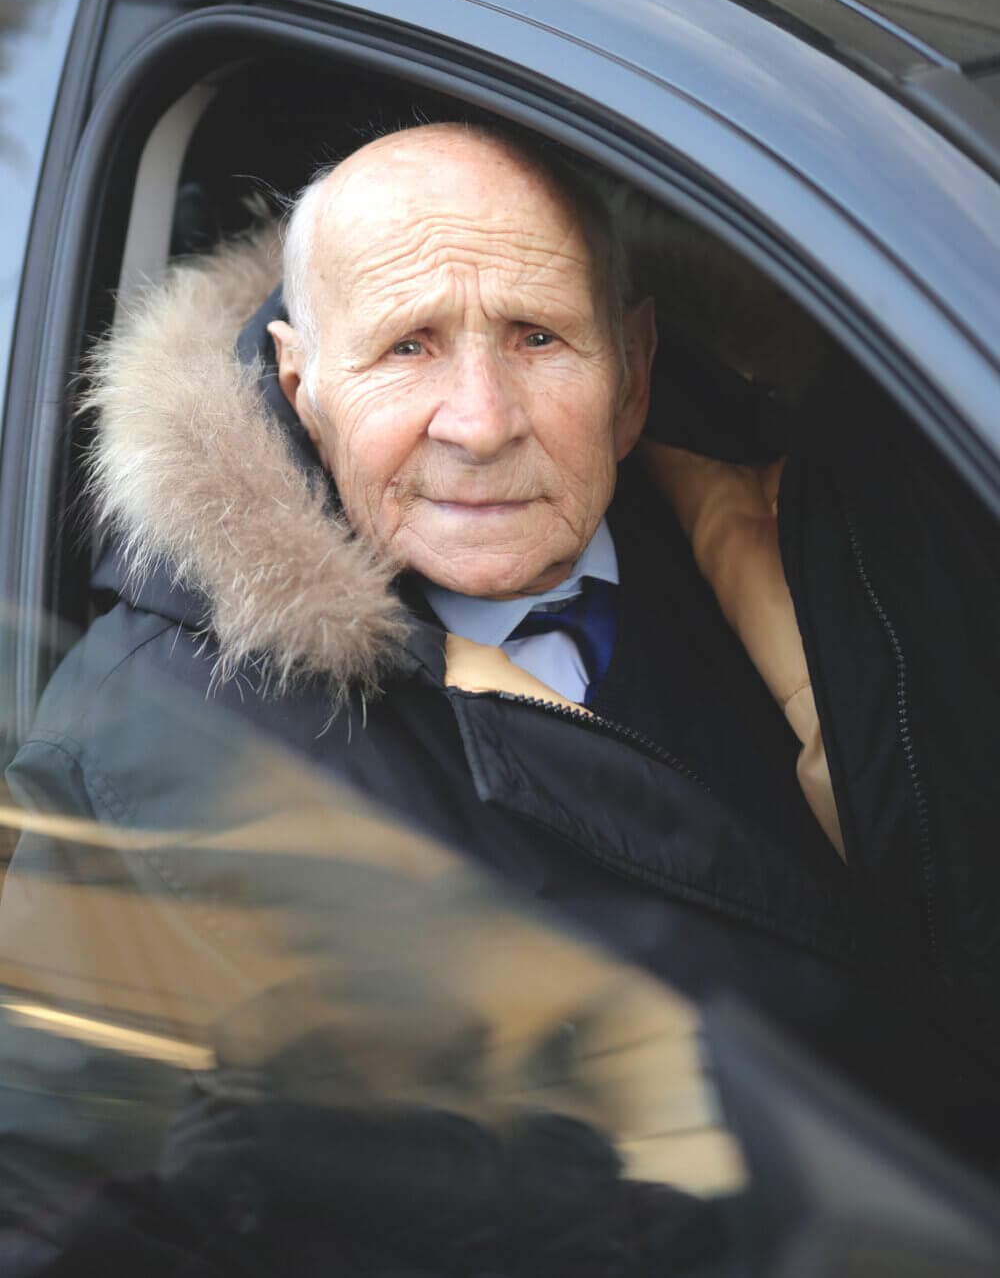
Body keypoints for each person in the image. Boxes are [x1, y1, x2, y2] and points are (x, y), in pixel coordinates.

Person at [3, 122, 1000, 1238]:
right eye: (408, 348)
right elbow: (58, 1214)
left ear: (633, 377)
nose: (480, 422)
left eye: (536, 337)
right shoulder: (149, 744)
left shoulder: (851, 526)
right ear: (302, 384)